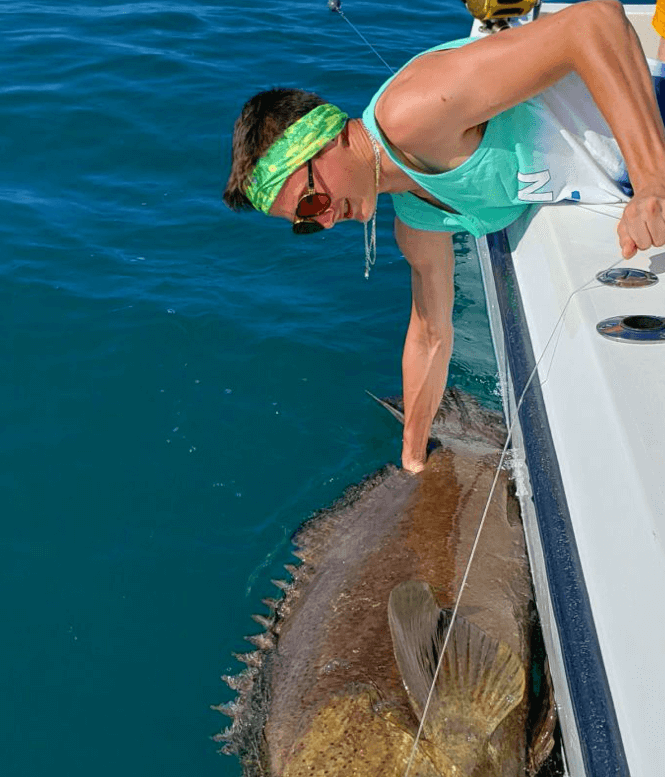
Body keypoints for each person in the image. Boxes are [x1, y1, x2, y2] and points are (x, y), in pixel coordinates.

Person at [223, 1, 665, 473]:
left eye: (312, 201)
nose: (327, 221)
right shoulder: (416, 217)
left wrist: (652, 183)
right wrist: (413, 458)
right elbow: (429, 334)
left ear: (326, 140)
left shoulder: (409, 114)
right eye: (306, 222)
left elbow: (594, 22)